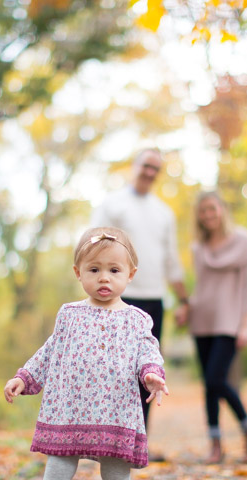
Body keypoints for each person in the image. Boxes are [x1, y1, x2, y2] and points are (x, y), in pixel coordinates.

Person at [3, 226, 170, 480]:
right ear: (79, 273)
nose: (103, 278)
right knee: (58, 469)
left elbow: (147, 351)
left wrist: (151, 374)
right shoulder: (69, 314)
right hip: (69, 411)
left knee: (114, 475)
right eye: (94, 270)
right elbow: (50, 351)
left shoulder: (137, 320)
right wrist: (25, 376)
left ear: (130, 275)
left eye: (113, 270)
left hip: (114, 412)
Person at [90, 148, 188, 447]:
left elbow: (171, 258)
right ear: (134, 166)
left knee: (147, 371)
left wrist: (183, 299)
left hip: (154, 299)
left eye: (155, 168)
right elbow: (92, 241)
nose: (149, 172)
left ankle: (136, 441)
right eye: (146, 165)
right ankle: (105, 439)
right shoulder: (113, 204)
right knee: (113, 370)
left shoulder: (164, 212)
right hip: (117, 298)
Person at [183, 192, 247, 464]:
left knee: (216, 379)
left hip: (231, 321)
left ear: (222, 209)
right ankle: (216, 445)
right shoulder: (199, 248)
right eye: (202, 211)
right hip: (203, 320)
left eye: (212, 209)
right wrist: (188, 307)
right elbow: (203, 288)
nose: (208, 215)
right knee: (209, 385)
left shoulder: (244, 241)